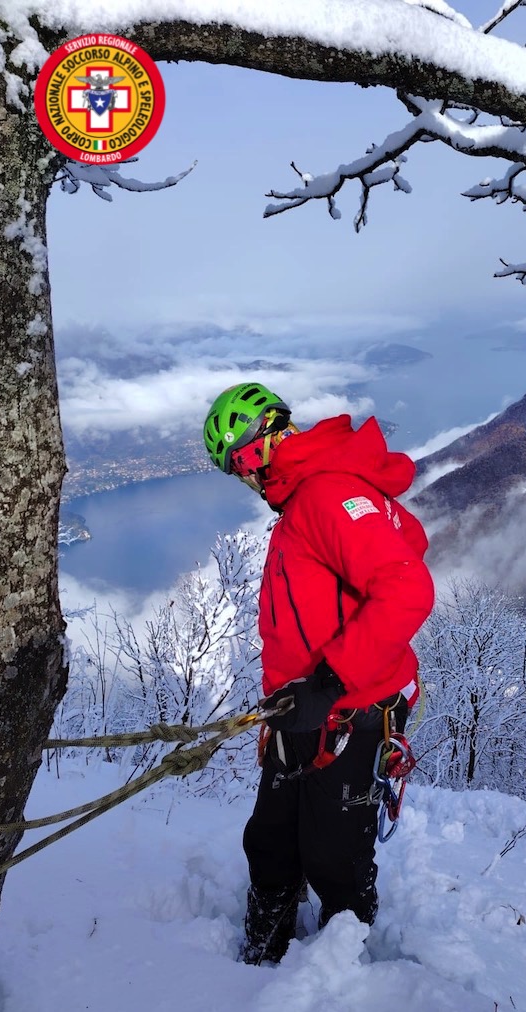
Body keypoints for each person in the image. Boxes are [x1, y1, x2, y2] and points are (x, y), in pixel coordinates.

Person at [202, 382, 434, 964]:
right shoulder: (305, 497)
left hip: (350, 707)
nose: (248, 477)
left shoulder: (326, 495)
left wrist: (329, 680)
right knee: (273, 840)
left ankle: (336, 987)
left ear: (275, 436)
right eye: (237, 469)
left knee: (334, 855)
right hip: (300, 706)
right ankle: (263, 954)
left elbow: (408, 588)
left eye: (248, 458)